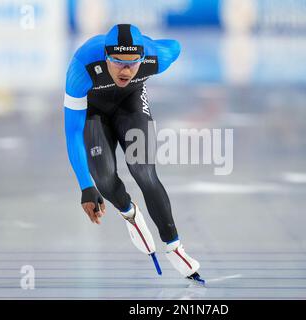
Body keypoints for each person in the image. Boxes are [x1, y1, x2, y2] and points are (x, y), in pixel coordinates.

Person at [63, 24, 204, 284]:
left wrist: (150, 43)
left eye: (132, 63)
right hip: (93, 112)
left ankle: (174, 247)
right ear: (106, 57)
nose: (126, 70)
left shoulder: (155, 57)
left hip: (131, 105)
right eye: (117, 62)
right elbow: (72, 131)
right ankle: (130, 213)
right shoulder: (82, 67)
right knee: (103, 180)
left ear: (143, 58)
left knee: (144, 171)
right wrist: (85, 186)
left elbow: (175, 46)